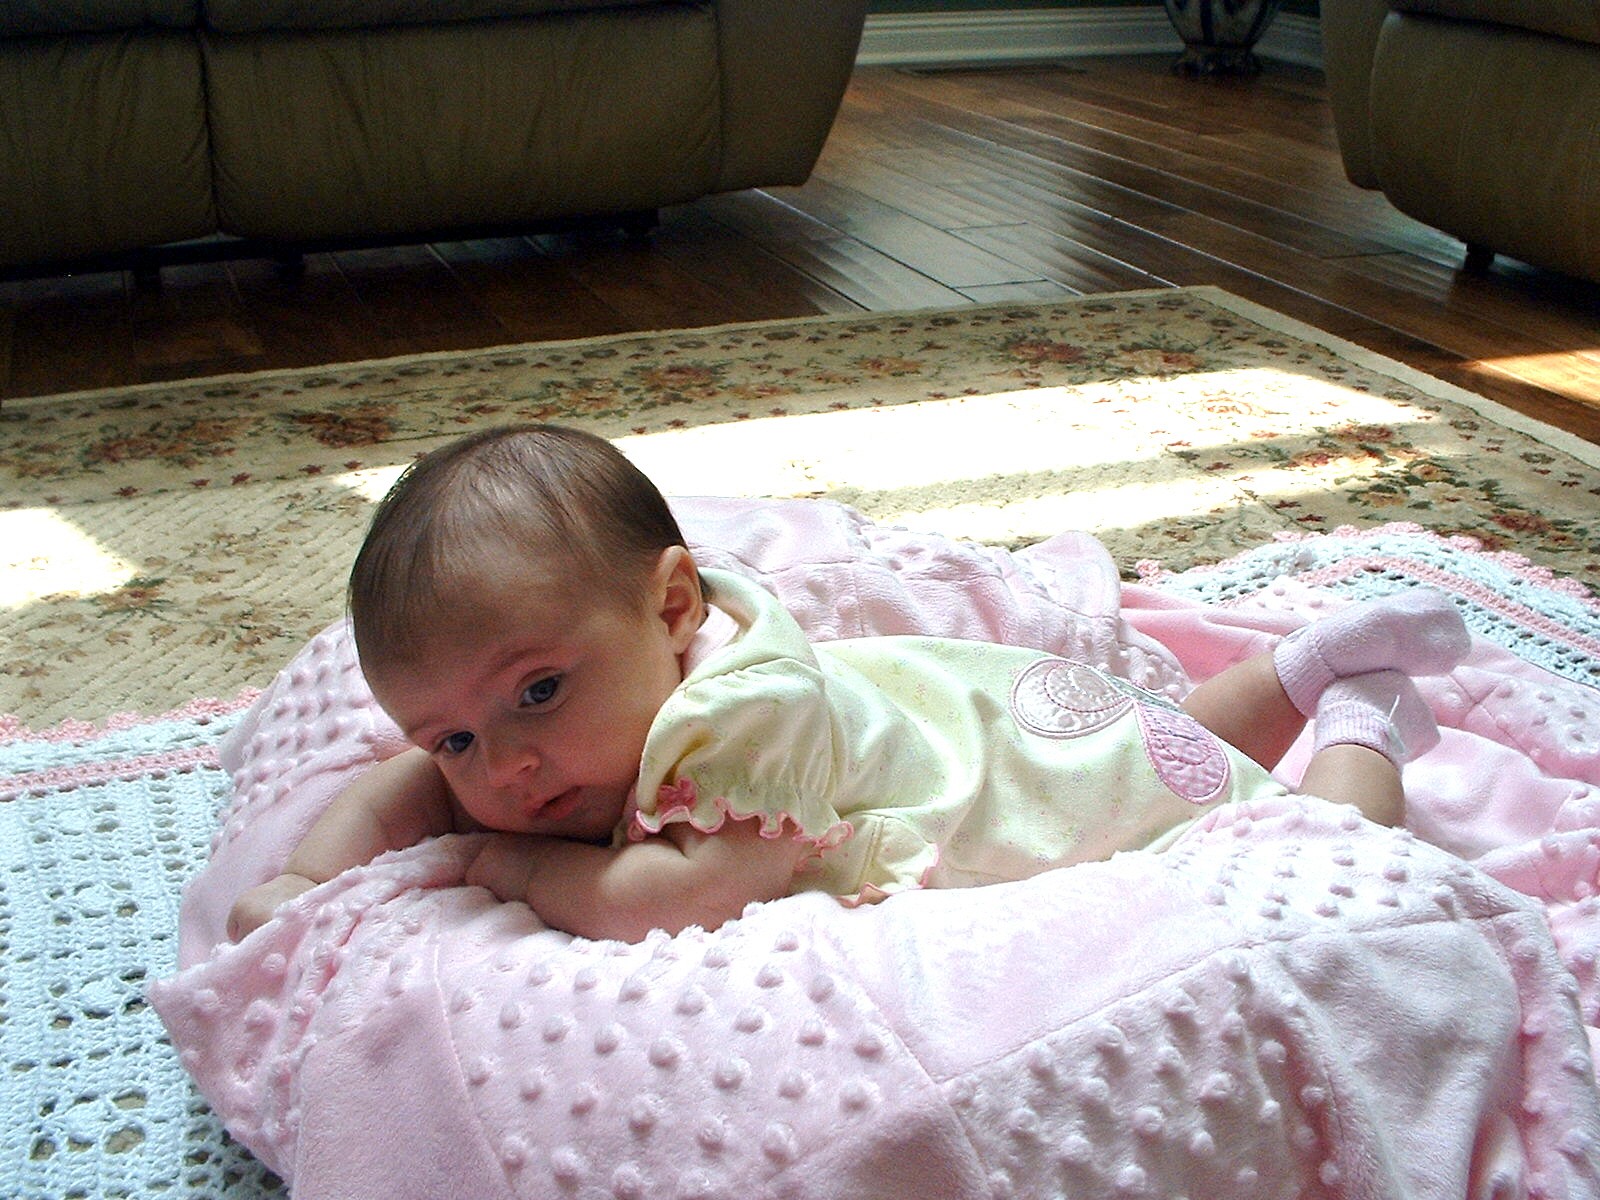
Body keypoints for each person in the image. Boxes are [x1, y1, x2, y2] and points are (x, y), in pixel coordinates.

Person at [227, 425, 1472, 945]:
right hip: (1009, 725)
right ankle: (1294, 670)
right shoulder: (546, 723)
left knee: (1308, 850)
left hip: (1029, 790)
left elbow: (686, 894)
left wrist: (508, 868)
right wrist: (304, 878)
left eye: (538, 694)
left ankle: (1357, 720)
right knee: (1167, 743)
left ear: (672, 607)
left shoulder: (736, 720)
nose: (502, 767)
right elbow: (408, 785)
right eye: (453, 737)